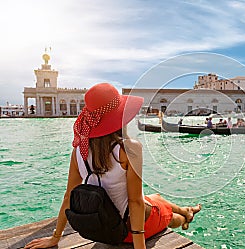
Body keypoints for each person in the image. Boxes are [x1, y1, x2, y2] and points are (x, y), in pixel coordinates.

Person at [24, 83, 201, 249]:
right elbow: (135, 202)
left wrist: (56, 237)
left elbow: (68, 196)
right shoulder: (129, 148)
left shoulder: (78, 150)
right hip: (126, 231)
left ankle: (187, 210)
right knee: (169, 215)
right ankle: (184, 218)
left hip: (102, 228)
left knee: (156, 197)